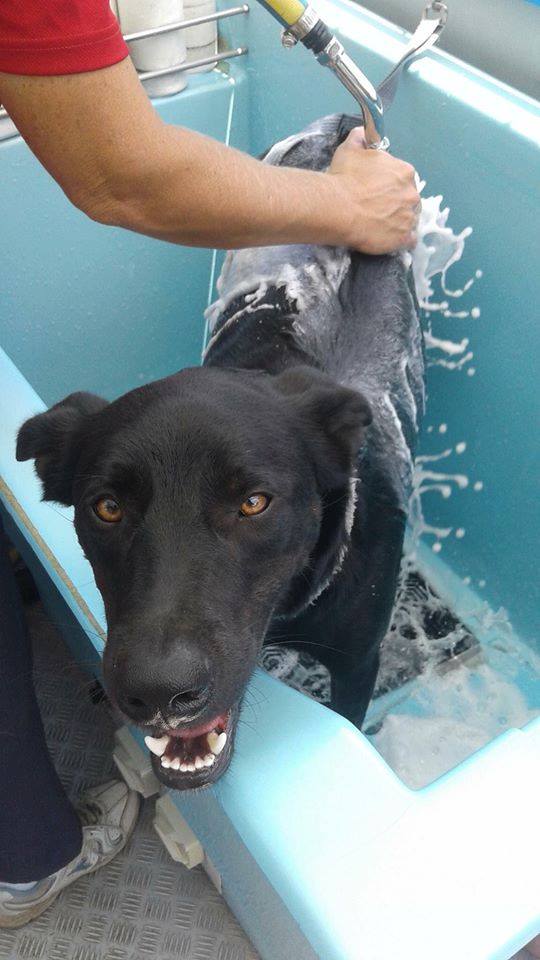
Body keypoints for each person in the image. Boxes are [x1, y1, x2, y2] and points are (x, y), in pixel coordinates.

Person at [0, 0, 420, 929]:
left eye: (252, 502)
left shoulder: (351, 480)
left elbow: (117, 165)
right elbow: (116, 166)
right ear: (65, 484)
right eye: (109, 508)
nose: (155, 666)